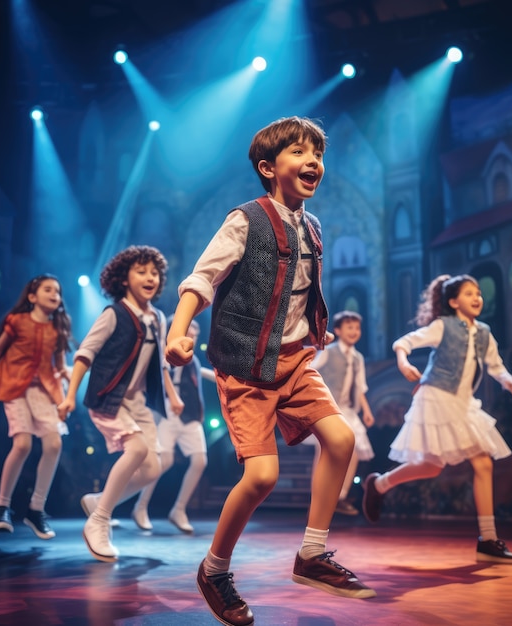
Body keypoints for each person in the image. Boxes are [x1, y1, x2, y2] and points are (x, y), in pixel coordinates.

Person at [166, 116, 376, 626]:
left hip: (296, 361)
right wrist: (178, 332)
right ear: (267, 167)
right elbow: (203, 277)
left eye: (318, 155)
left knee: (342, 441)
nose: (313, 162)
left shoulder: (314, 226)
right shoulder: (246, 219)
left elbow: (297, 289)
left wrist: (314, 327)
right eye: (299, 153)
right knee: (261, 476)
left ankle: (312, 553)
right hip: (245, 366)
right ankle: (214, 570)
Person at [362, 274, 512, 564]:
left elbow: (495, 365)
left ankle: (379, 485)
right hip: (436, 398)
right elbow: (404, 343)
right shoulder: (443, 326)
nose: (477, 297)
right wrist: (403, 363)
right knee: (442, 465)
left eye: (478, 292)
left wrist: (510, 383)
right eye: (468, 293)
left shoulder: (485, 332)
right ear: (453, 302)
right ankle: (487, 538)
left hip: (464, 403)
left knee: (448, 465)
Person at [57, 245, 178, 563]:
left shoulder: (158, 319)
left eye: (154, 272)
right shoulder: (113, 314)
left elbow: (160, 364)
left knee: (153, 467)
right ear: (124, 278)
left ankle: (99, 501)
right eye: (141, 271)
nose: (150, 277)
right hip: (108, 398)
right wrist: (69, 396)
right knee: (136, 450)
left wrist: (173, 395)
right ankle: (98, 521)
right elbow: (84, 354)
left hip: (138, 403)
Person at [0, 274, 73, 540]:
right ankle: (1, 506)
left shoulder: (57, 329)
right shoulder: (16, 321)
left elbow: (60, 367)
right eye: (48, 289)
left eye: (57, 292)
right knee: (23, 444)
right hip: (14, 387)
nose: (54, 294)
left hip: (44, 391)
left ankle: (36, 509)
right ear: (32, 296)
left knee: (54, 444)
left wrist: (67, 393)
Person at [131, 318, 215, 534]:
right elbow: (163, 371)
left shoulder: (194, 360)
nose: (193, 336)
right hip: (170, 410)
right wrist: (173, 397)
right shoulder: (166, 352)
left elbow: (203, 374)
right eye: (190, 331)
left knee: (200, 461)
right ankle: (140, 507)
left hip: (191, 415)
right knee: (163, 461)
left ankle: (179, 509)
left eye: (196, 333)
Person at [304, 310, 375, 516]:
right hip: (327, 409)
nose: (354, 331)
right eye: (349, 327)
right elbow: (310, 368)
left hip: (348, 410)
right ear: (338, 330)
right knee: (323, 454)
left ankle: (341, 496)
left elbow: (360, 387)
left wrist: (367, 411)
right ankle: (316, 501)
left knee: (354, 451)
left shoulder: (358, 358)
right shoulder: (329, 351)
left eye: (357, 328)